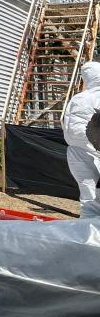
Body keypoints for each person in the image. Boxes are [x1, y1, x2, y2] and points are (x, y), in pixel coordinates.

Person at [62, 61, 100, 218]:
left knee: (88, 191)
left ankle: (88, 227)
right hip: (93, 148)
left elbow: (68, 125)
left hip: (77, 149)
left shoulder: (78, 98)